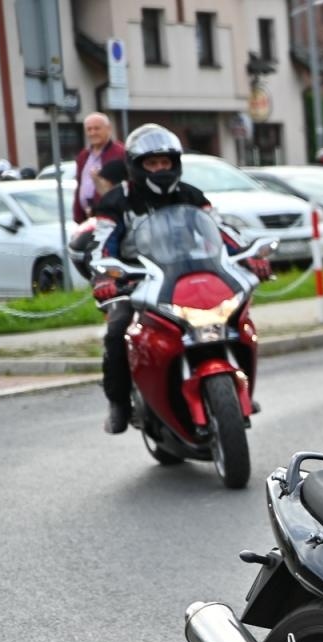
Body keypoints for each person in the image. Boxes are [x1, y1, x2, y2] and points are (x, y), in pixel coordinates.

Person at [86, 124, 269, 434]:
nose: (160, 169)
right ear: (136, 165)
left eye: (165, 163)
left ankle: (239, 387)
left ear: (175, 164)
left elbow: (222, 232)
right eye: (152, 163)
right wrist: (105, 276)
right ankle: (118, 403)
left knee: (235, 320)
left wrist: (250, 255)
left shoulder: (191, 195)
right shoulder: (116, 201)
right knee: (118, 331)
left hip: (192, 276)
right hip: (139, 281)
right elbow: (102, 245)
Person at [73, 113, 126, 224]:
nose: (93, 133)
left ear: (108, 129)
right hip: (87, 218)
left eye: (97, 128)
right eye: (89, 129)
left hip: (111, 217)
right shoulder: (83, 156)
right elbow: (79, 185)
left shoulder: (120, 153)